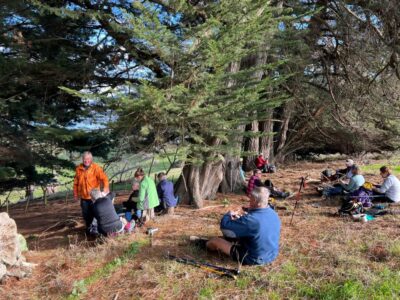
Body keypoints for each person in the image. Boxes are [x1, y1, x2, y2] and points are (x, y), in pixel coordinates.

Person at [198, 187, 281, 265]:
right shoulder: (273, 213)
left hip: (254, 258)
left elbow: (225, 229)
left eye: (250, 199)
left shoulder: (251, 220)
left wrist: (228, 214)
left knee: (216, 241)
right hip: (271, 254)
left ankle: (204, 244)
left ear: (255, 200)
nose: (249, 201)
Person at [73, 151, 109, 233]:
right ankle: (89, 228)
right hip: (84, 197)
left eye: (88, 159)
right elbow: (76, 183)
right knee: (86, 215)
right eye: (85, 159)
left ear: (91, 159)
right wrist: (75, 193)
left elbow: (105, 179)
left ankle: (99, 229)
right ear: (82, 159)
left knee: (97, 213)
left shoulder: (96, 168)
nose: (86, 161)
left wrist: (106, 188)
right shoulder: (78, 169)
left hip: (94, 197)